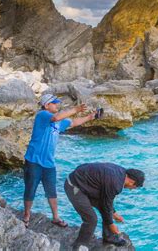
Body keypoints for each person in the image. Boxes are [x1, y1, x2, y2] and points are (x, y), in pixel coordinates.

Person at [23, 93, 102, 228]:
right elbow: (56, 117)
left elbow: (73, 122)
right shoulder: (42, 115)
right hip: (33, 160)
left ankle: (55, 217)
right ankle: (26, 215)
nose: (57, 105)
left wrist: (91, 117)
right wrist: (75, 110)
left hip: (49, 162)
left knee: (51, 191)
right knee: (31, 189)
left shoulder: (59, 122)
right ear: (47, 105)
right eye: (54, 103)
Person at [64, 162, 145, 249]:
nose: (131, 189)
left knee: (106, 209)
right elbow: (106, 204)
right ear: (132, 182)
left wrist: (114, 213)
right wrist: (111, 225)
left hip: (85, 183)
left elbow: (106, 201)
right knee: (91, 219)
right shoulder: (116, 184)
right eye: (134, 187)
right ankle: (80, 246)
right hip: (74, 186)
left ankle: (108, 237)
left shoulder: (121, 172)